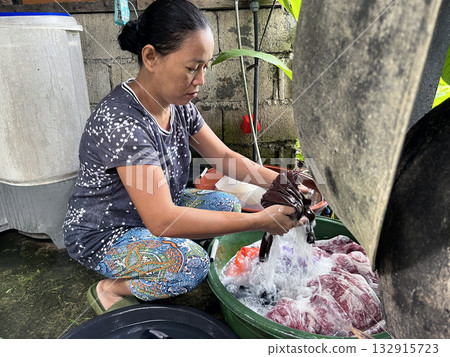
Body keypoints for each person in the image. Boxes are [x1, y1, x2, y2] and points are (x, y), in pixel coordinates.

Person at [63, 0, 305, 315]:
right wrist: (260, 220)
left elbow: (223, 157)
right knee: (191, 265)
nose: (201, 80)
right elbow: (162, 219)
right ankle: (112, 288)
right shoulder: (123, 123)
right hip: (106, 232)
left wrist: (286, 181)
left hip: (149, 213)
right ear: (150, 57)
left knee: (226, 204)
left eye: (205, 67)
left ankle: (165, 254)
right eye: (192, 68)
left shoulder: (177, 105)